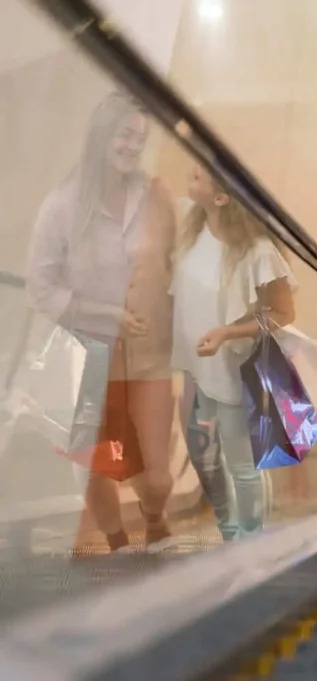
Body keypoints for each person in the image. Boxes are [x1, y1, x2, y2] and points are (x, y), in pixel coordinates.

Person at [27, 91, 177, 554]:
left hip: (149, 352)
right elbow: (41, 287)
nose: (132, 145)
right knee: (97, 459)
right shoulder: (62, 205)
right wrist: (106, 313)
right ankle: (118, 543)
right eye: (124, 134)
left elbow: (176, 262)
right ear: (101, 136)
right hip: (88, 356)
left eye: (140, 137)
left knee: (156, 471)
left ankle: (155, 517)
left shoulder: (154, 196)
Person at [171, 164, 296, 541]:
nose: (188, 178)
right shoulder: (190, 231)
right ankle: (230, 536)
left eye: (197, 176)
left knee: (240, 462)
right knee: (204, 456)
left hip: (234, 365)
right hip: (192, 366)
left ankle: (250, 541)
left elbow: (284, 312)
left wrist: (227, 332)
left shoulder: (258, 251)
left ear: (222, 197)